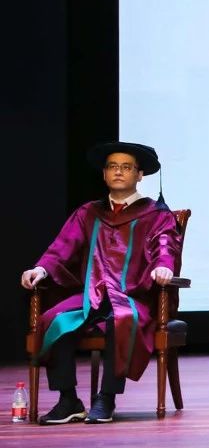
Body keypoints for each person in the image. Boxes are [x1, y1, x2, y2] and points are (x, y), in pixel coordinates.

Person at [21, 142, 181, 425]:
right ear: (104, 174)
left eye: (126, 167)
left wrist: (163, 266)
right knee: (55, 320)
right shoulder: (88, 213)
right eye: (112, 167)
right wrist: (41, 269)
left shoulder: (156, 215)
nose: (118, 172)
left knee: (122, 319)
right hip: (90, 295)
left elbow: (166, 245)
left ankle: (106, 398)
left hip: (133, 296)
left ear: (139, 175)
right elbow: (62, 248)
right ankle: (68, 400)